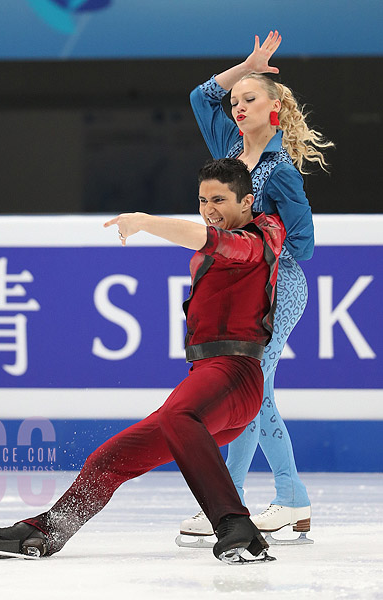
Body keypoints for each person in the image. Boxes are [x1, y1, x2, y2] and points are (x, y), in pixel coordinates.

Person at [0, 158, 286, 564]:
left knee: (178, 415)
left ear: (247, 201)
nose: (208, 208)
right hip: (209, 381)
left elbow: (214, 241)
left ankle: (237, 526)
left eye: (219, 199)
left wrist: (145, 221)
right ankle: (48, 531)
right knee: (109, 459)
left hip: (236, 374)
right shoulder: (224, 240)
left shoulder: (257, 238)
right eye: (202, 199)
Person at [180, 31, 334, 543]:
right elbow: (201, 96)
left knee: (253, 390)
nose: (237, 107)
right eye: (236, 101)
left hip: (277, 286)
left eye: (250, 99)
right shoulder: (228, 147)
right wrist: (247, 64)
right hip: (239, 287)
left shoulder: (281, 172)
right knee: (251, 391)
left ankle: (262, 501)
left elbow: (305, 245)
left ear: (275, 109)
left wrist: (257, 236)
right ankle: (256, 503)